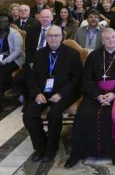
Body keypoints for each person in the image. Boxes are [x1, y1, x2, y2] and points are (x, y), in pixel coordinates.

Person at [65, 28, 115, 167]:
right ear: (102, 41)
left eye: (113, 37)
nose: (111, 40)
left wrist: (114, 93)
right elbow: (87, 79)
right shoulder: (94, 56)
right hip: (96, 93)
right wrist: (98, 95)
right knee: (83, 114)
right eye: (107, 38)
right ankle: (79, 152)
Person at [23, 25, 82, 163]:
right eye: (50, 36)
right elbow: (32, 78)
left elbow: (76, 80)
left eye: (56, 35)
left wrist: (61, 94)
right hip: (43, 93)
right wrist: (37, 93)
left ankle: (51, 148)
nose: (53, 38)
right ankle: (41, 145)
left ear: (62, 37)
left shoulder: (72, 54)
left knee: (54, 113)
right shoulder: (39, 54)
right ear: (46, 37)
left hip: (65, 93)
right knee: (29, 114)